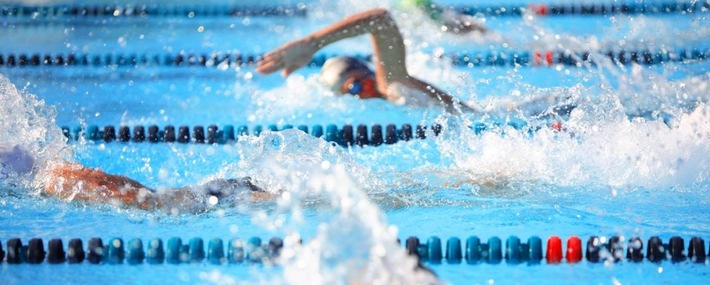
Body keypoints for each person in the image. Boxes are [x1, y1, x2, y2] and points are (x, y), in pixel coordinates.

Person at [256, 8, 479, 114]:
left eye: (357, 85)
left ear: (368, 74)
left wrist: (314, 42)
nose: (362, 94)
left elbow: (380, 20)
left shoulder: (390, 83)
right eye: (351, 92)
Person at [1, 143, 272, 213]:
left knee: (160, 204)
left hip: (46, 177)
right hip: (39, 174)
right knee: (161, 202)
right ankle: (225, 191)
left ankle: (229, 192)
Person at [399, 0, 488, 34]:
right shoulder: (416, 3)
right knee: (472, 26)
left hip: (440, 21)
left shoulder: (404, 4)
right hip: (442, 25)